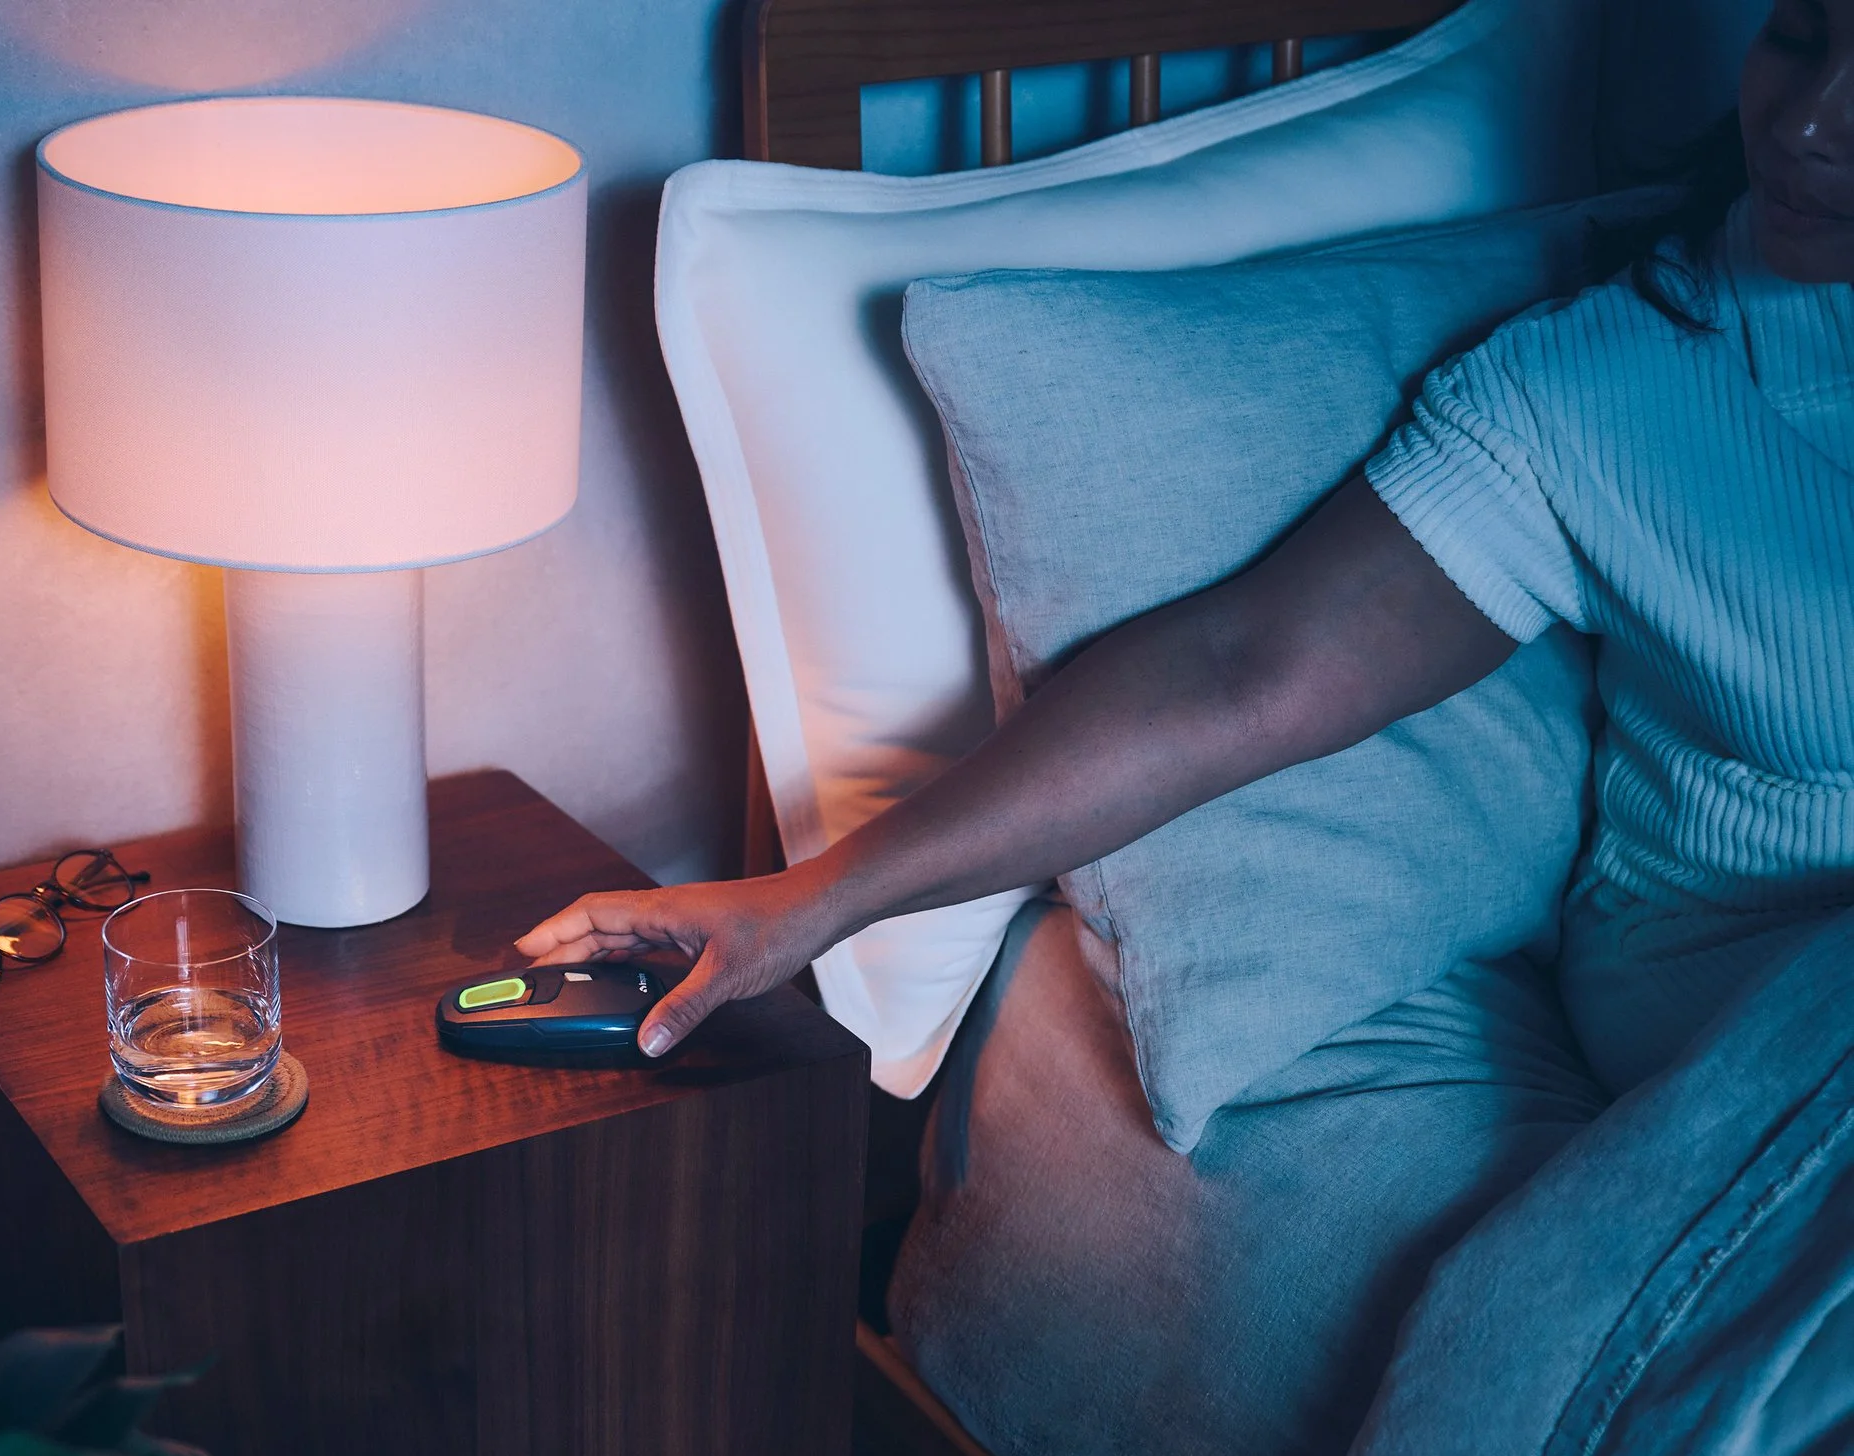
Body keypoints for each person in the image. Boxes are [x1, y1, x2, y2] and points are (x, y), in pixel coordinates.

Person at [521, 0, 1854, 1101]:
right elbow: (1239, 673)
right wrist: (800, 905)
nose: (1802, 122)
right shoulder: (1602, 391)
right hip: (1762, 1030)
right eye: (1796, 33)